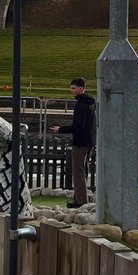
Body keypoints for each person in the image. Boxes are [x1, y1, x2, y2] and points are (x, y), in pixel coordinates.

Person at [50, 77, 95, 208]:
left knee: (78, 171)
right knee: (83, 169)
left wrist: (61, 129)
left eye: (74, 88)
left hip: (80, 142)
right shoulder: (89, 104)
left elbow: (79, 126)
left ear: (81, 88)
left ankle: (81, 201)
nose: (72, 91)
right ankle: (80, 198)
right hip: (89, 141)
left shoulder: (81, 105)